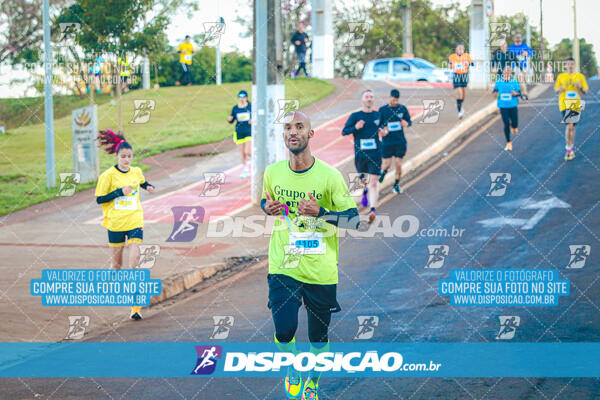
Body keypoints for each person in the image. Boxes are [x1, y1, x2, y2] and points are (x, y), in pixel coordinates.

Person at [261, 111, 359, 400]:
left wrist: (322, 213)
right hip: (284, 263)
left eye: (299, 127)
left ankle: (312, 382)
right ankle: (292, 368)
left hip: (320, 268)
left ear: (310, 134)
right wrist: (267, 208)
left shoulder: (330, 176)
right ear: (284, 135)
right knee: (285, 328)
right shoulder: (273, 172)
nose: (293, 132)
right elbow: (264, 200)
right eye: (288, 128)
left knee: (318, 338)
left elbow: (354, 220)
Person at [95, 129, 156, 320]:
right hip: (115, 224)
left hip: (135, 220)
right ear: (117, 156)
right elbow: (99, 199)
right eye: (123, 156)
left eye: (129, 156)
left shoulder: (136, 171)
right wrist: (119, 192)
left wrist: (149, 187)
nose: (127, 160)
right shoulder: (108, 176)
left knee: (134, 262)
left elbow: (143, 182)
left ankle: (135, 308)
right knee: (117, 265)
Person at [342, 89, 382, 223]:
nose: (369, 99)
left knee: (374, 182)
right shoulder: (355, 116)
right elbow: (344, 131)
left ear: (373, 99)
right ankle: (364, 191)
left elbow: (384, 127)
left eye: (371, 96)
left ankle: (372, 210)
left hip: (376, 154)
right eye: (367, 97)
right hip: (361, 155)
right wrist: (356, 128)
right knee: (364, 181)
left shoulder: (378, 115)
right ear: (362, 100)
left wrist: (385, 131)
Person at [554, 57, 588, 160]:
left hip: (576, 104)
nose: (570, 66)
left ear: (575, 65)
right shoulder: (561, 76)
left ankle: (570, 147)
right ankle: (569, 149)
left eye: (572, 64)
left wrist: (580, 87)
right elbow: (555, 90)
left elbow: (585, 91)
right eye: (568, 64)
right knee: (569, 126)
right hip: (564, 104)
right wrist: (560, 89)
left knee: (571, 127)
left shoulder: (580, 76)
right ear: (565, 65)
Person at [377, 89, 412, 193]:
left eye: (396, 100)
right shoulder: (382, 110)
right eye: (393, 100)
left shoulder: (402, 109)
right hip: (387, 142)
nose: (395, 102)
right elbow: (378, 125)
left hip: (399, 141)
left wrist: (407, 124)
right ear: (389, 97)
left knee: (398, 164)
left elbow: (409, 121)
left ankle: (396, 185)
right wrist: (383, 129)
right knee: (386, 164)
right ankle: (383, 172)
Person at [493, 65, 521, 151]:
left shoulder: (514, 82)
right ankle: (508, 143)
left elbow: (519, 93)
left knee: (515, 123)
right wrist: (495, 94)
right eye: (505, 71)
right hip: (503, 106)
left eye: (509, 71)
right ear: (503, 72)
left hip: (513, 105)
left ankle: (514, 127)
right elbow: (495, 91)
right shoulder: (499, 82)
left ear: (510, 73)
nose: (507, 72)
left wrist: (515, 93)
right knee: (506, 124)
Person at [227, 90, 252, 178]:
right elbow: (232, 119)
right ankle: (245, 170)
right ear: (238, 98)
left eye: (244, 97)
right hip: (239, 132)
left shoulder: (250, 107)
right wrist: (229, 119)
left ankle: (258, 162)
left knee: (248, 151)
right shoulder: (235, 108)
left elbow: (257, 117)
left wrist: (253, 120)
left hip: (249, 131)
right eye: (240, 97)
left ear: (246, 98)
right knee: (242, 153)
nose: (242, 99)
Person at [448, 43, 474, 119]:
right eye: (459, 48)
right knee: (459, 93)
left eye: (462, 49)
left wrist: (468, 63)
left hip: (464, 75)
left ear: (463, 50)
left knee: (463, 95)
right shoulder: (452, 56)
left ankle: (459, 104)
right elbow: (449, 66)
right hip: (456, 75)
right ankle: (459, 112)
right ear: (456, 49)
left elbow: (472, 64)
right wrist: (451, 65)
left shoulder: (466, 56)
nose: (460, 50)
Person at [508, 33, 534, 100]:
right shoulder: (511, 48)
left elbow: (532, 53)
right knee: (514, 81)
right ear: (514, 39)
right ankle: (518, 94)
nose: (518, 38)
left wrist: (527, 53)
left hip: (522, 66)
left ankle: (524, 94)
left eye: (519, 37)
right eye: (517, 37)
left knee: (521, 80)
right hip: (513, 67)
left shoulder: (524, 46)